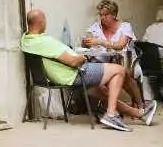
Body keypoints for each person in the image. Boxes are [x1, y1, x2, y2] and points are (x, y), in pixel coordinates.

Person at [21, 8, 155, 132]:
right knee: (119, 70)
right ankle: (111, 115)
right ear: (41, 22)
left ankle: (140, 113)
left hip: (64, 75)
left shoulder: (27, 39)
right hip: (74, 74)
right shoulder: (43, 42)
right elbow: (73, 62)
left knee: (103, 92)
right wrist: (84, 57)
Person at [83, 0, 146, 106]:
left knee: (124, 73)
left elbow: (120, 45)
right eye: (101, 15)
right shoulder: (96, 27)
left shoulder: (125, 27)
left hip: (126, 61)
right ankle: (116, 106)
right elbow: (87, 42)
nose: (102, 18)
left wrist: (100, 42)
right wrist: (86, 42)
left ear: (114, 15)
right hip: (104, 61)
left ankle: (139, 104)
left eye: (105, 15)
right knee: (94, 74)